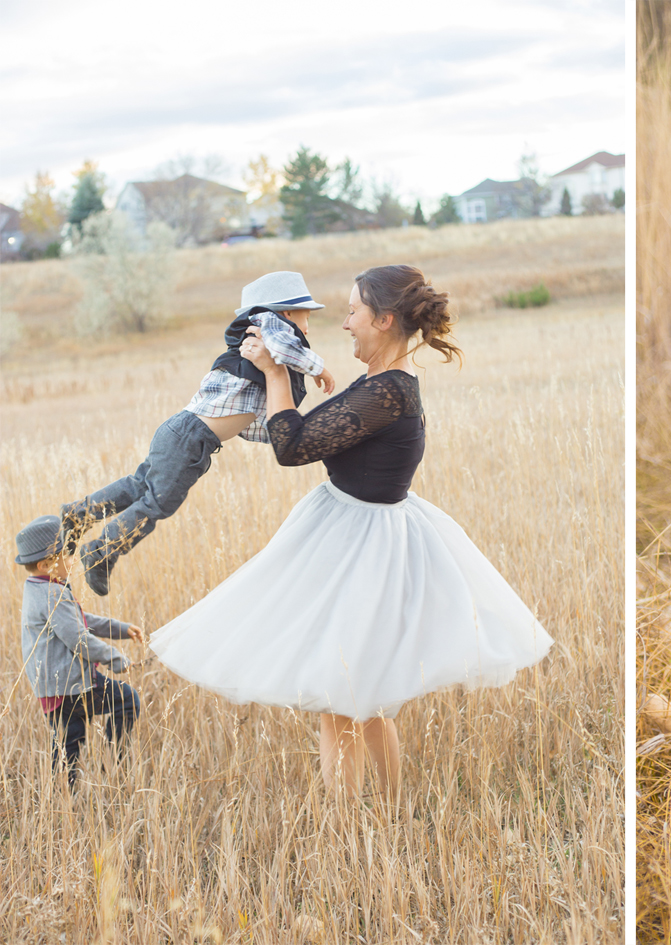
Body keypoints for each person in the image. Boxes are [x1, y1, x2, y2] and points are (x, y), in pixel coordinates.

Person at [147, 265, 554, 803]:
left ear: (383, 320)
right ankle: (386, 816)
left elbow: (292, 448)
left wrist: (273, 373)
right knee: (367, 700)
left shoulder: (388, 394)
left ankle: (350, 831)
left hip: (363, 548)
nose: (345, 324)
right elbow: (301, 433)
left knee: (340, 701)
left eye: (353, 311)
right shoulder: (381, 384)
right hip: (356, 533)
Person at [59, 271, 336, 595]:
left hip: (187, 435)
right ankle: (100, 552)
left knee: (140, 487)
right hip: (189, 436)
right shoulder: (268, 326)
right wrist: (320, 368)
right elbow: (287, 345)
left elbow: (257, 419)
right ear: (286, 312)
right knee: (157, 504)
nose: (308, 326)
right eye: (306, 317)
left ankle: (79, 514)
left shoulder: (260, 344)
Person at [15, 515, 143, 785]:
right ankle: (114, 763)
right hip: (74, 687)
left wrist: (120, 629)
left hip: (54, 690)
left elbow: (80, 622)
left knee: (67, 746)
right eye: (67, 555)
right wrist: (116, 657)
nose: (72, 561)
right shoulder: (52, 594)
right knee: (128, 699)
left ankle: (63, 802)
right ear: (46, 564)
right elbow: (79, 639)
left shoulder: (40, 588)